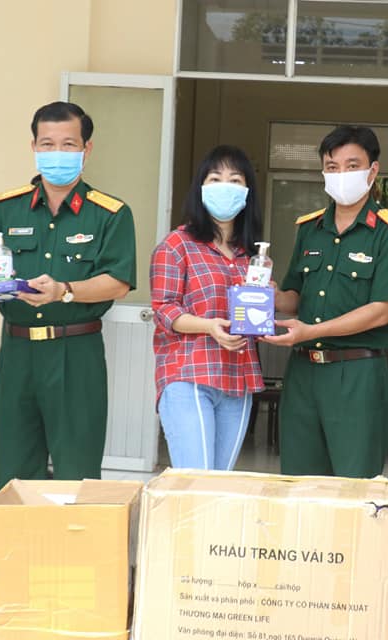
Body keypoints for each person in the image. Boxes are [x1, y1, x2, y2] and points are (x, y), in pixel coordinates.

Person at [0, 101, 136, 490]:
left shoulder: (110, 213)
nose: (56, 153)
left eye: (68, 144)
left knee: (76, 469)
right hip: (18, 351)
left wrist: (65, 291)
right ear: (33, 147)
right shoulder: (7, 208)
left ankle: (73, 533)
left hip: (75, 351)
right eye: (47, 144)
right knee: (13, 468)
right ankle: (20, 532)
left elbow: (118, 281)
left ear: (86, 149)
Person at [265, 125, 388, 478]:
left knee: (355, 484)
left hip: (357, 373)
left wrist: (310, 331)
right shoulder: (310, 228)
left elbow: (380, 312)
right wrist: (268, 295)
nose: (341, 174)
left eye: (352, 166)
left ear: (372, 171)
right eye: (332, 167)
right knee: (298, 480)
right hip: (303, 372)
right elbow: (294, 298)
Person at [150, 145, 264, 470]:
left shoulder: (251, 256)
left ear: (247, 191)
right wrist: (208, 326)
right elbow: (164, 309)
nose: (225, 187)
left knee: (218, 484)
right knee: (195, 480)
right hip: (189, 374)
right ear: (200, 188)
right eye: (215, 179)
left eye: (235, 180)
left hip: (238, 379)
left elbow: (254, 316)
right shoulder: (177, 245)